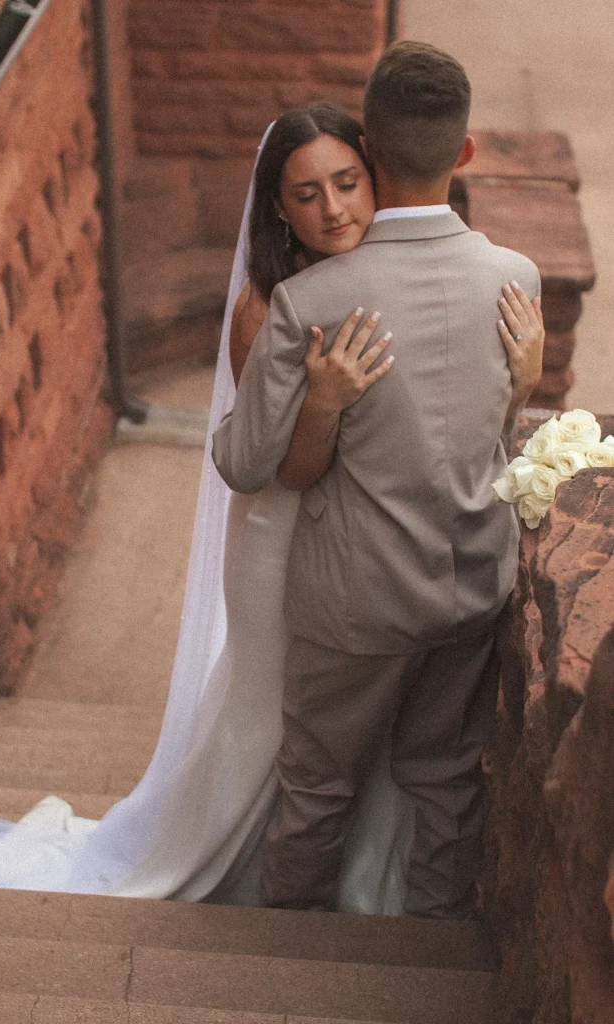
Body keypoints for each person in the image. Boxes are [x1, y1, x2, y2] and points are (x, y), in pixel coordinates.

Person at [0, 98, 543, 910]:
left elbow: (434, 423)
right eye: (307, 194)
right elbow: (277, 473)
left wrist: (515, 387)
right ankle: (246, 871)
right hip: (286, 529)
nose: (334, 208)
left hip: (362, 541)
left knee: (347, 732)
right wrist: (322, 401)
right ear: (278, 205)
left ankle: (365, 883)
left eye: (347, 182)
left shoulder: (394, 281)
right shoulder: (269, 306)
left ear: (375, 178)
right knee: (274, 726)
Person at [212, 43, 543, 919]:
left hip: (355, 603)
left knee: (318, 786)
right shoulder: (516, 280)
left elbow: (243, 465)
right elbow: (480, 432)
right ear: (464, 152)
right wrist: (526, 385)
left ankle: (291, 957)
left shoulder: (312, 302)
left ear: (369, 150)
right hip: (474, 587)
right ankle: (430, 941)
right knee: (443, 779)